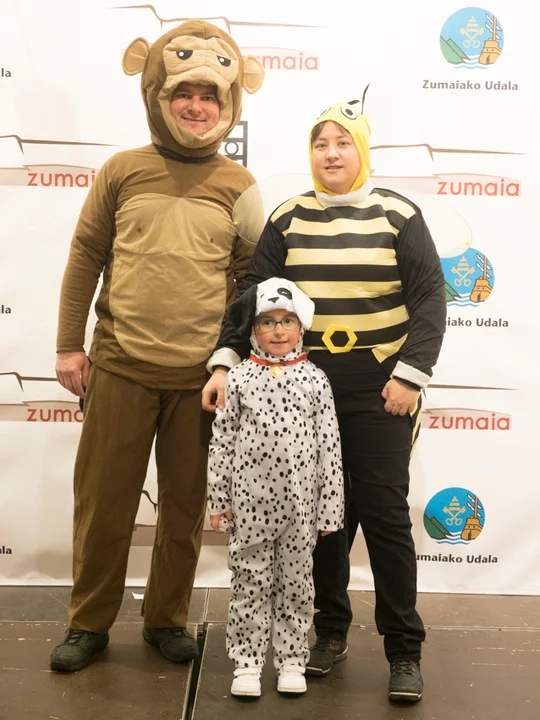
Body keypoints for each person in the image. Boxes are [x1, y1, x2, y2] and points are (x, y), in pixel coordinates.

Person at [202, 101, 447, 703]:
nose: (331, 154)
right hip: (304, 380)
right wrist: (226, 362)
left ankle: (404, 650)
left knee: (384, 515)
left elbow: (429, 299)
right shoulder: (287, 218)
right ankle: (329, 632)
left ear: (361, 150)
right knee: (321, 519)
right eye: (321, 144)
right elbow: (252, 297)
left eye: (342, 142)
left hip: (381, 382)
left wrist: (410, 376)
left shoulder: (399, 214)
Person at [49, 20, 264, 673]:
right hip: (119, 366)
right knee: (104, 505)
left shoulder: (240, 185)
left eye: (209, 95)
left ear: (228, 105)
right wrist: (68, 345)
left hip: (200, 379)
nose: (196, 106)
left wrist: (238, 362)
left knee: (183, 509)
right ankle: (88, 623)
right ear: (158, 97)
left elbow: (251, 283)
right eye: (183, 94)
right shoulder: (122, 171)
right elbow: (86, 256)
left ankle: (167, 619)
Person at [207, 277, 344, 698]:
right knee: (249, 583)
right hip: (249, 506)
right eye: (267, 322)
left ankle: (291, 660)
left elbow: (330, 447)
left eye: (287, 321)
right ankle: (247, 663)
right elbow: (222, 441)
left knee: (297, 586)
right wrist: (218, 500)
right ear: (253, 328)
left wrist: (330, 509)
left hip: (301, 509)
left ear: (301, 326)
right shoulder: (238, 379)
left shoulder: (316, 379)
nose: (278, 331)